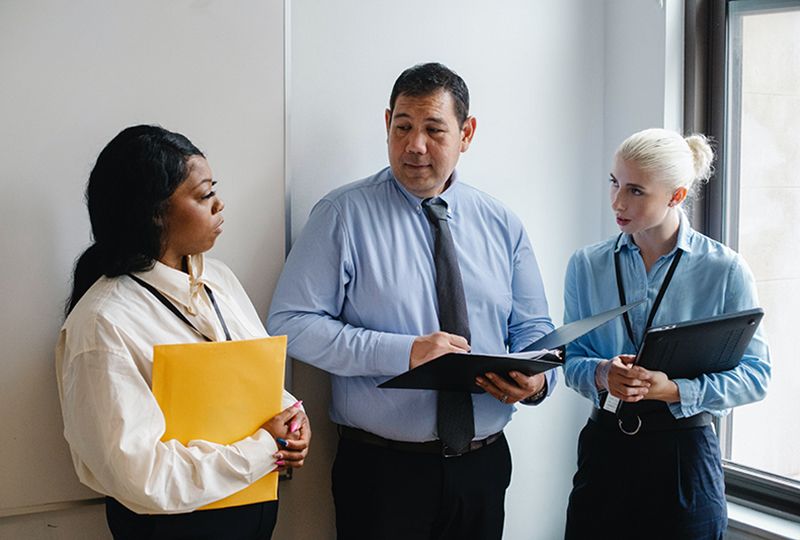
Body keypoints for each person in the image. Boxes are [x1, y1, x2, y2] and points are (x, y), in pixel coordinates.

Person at [267, 62, 556, 540]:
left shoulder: (502, 223)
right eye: (402, 127)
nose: (414, 145)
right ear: (386, 124)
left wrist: (538, 380)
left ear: (467, 134)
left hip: (483, 467)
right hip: (382, 472)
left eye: (433, 130)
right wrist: (405, 352)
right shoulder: (342, 215)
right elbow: (291, 323)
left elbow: (534, 328)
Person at [56, 125, 311, 540]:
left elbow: (255, 376)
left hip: (251, 511)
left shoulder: (219, 280)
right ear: (154, 211)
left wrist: (293, 421)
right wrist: (265, 448)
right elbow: (141, 476)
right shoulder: (103, 322)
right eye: (205, 194)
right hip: (172, 527)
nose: (219, 204)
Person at [562, 128, 771, 540]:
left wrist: (674, 390)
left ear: (676, 196)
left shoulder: (725, 270)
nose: (618, 202)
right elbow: (569, 361)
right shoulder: (586, 264)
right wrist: (603, 374)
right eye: (614, 183)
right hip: (605, 449)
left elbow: (756, 376)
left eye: (636, 191)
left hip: (685, 457)